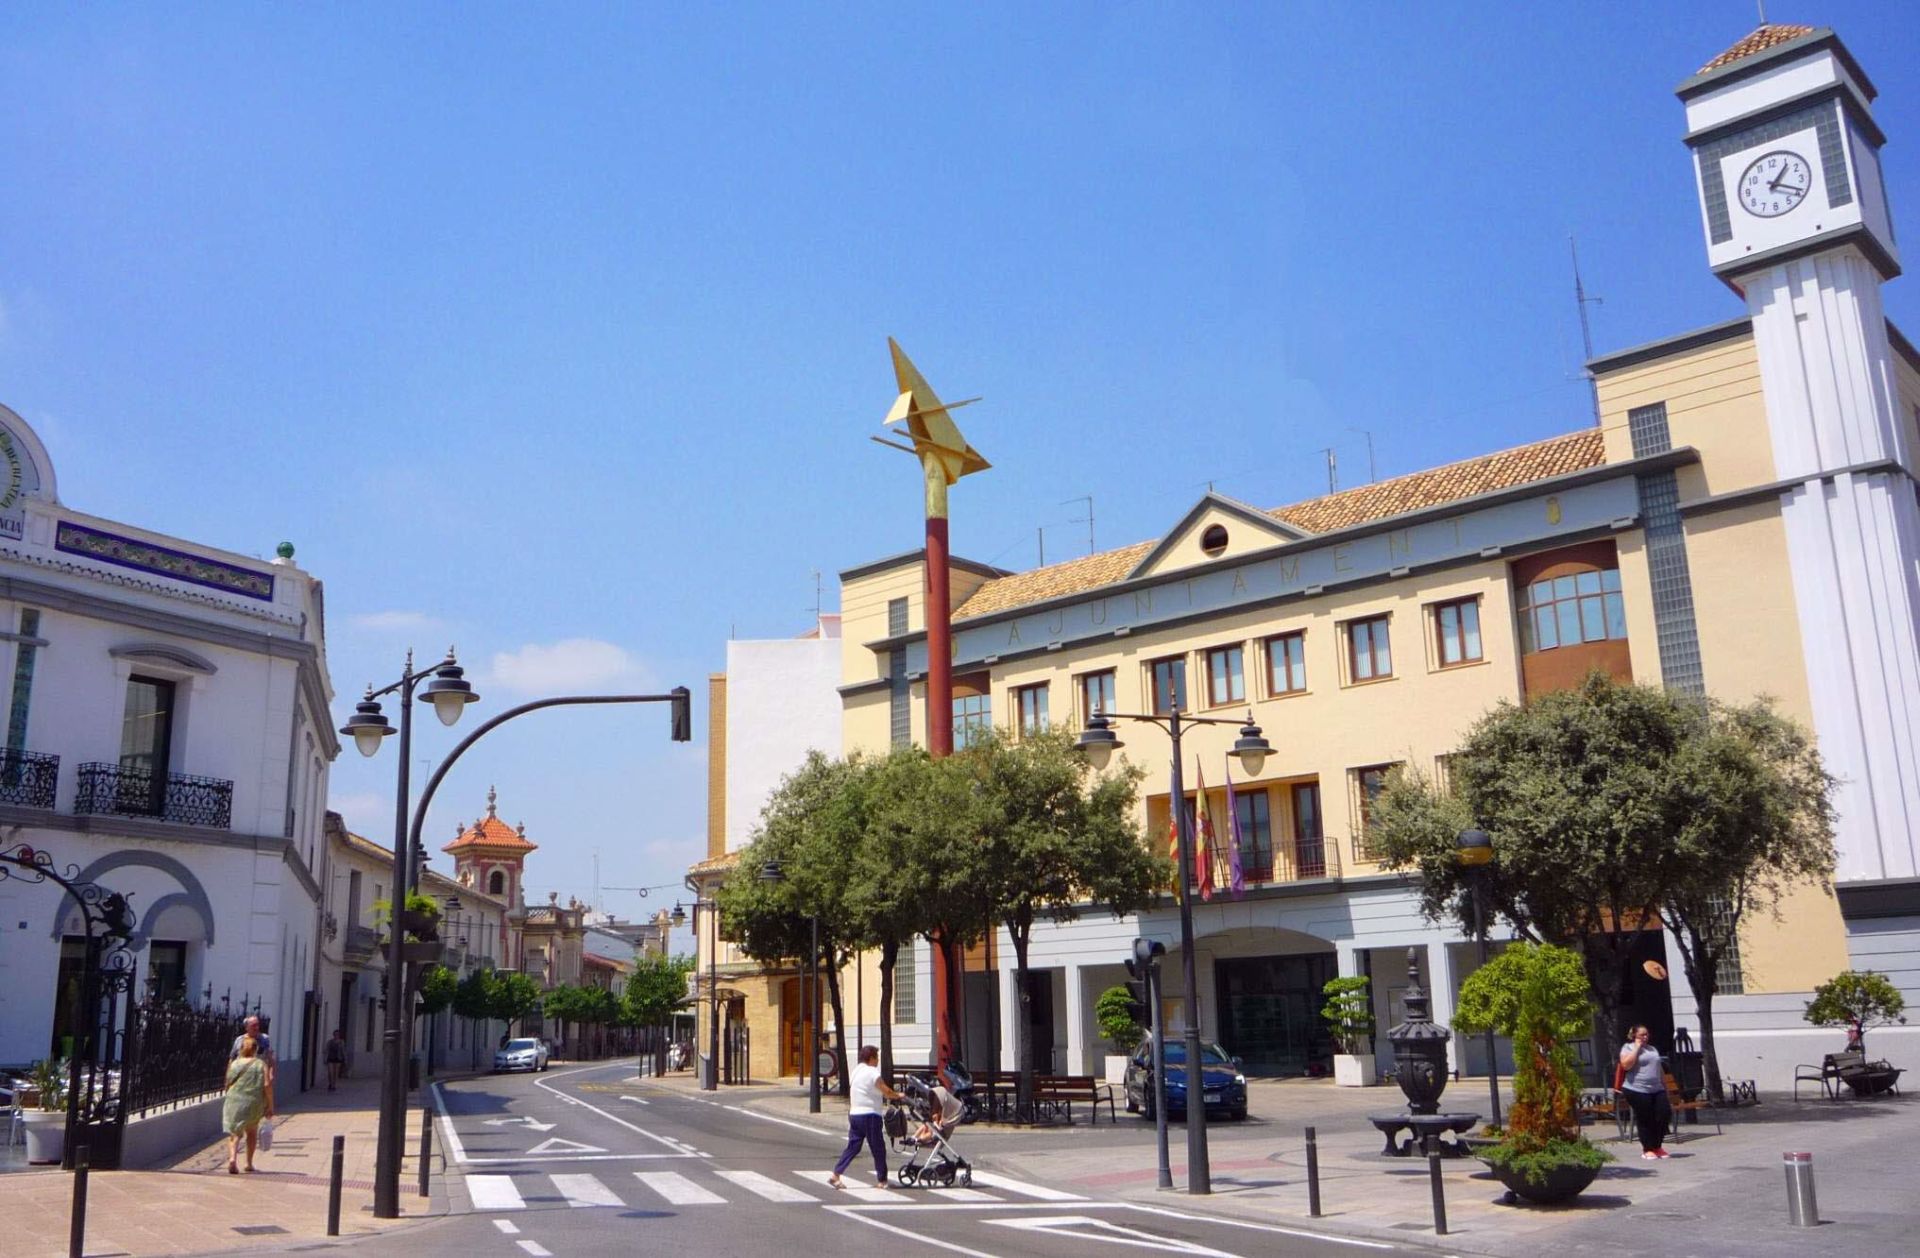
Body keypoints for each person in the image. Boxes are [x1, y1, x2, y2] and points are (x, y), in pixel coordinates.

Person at [828, 1044, 904, 1189]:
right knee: (878, 1148)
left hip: (855, 1114)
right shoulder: (872, 1072)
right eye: (877, 1057)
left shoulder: (856, 1071)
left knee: (853, 1147)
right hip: (870, 1115)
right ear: (871, 1058)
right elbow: (885, 1090)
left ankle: (836, 1174)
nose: (878, 1061)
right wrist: (898, 1095)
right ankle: (882, 1180)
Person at [1618, 1025, 1671, 1160]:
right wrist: (1637, 1048)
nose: (1645, 1037)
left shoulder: (1652, 1049)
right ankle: (1648, 1148)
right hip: (1636, 1089)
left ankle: (1657, 1146)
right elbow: (1626, 1065)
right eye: (1642, 1035)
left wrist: (1665, 1087)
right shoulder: (1627, 1048)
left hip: (1656, 1088)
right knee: (1645, 1118)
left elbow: (1659, 1069)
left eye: (1647, 1034)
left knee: (1664, 1114)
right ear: (1634, 1035)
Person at [222, 1035, 274, 1173]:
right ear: (255, 1049)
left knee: (234, 1132)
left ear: (241, 1049)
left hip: (234, 1100)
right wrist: (270, 1105)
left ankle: (232, 1158)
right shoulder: (260, 1064)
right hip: (253, 1102)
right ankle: (249, 1163)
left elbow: (227, 1081)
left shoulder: (234, 1064)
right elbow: (267, 1085)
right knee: (251, 1132)